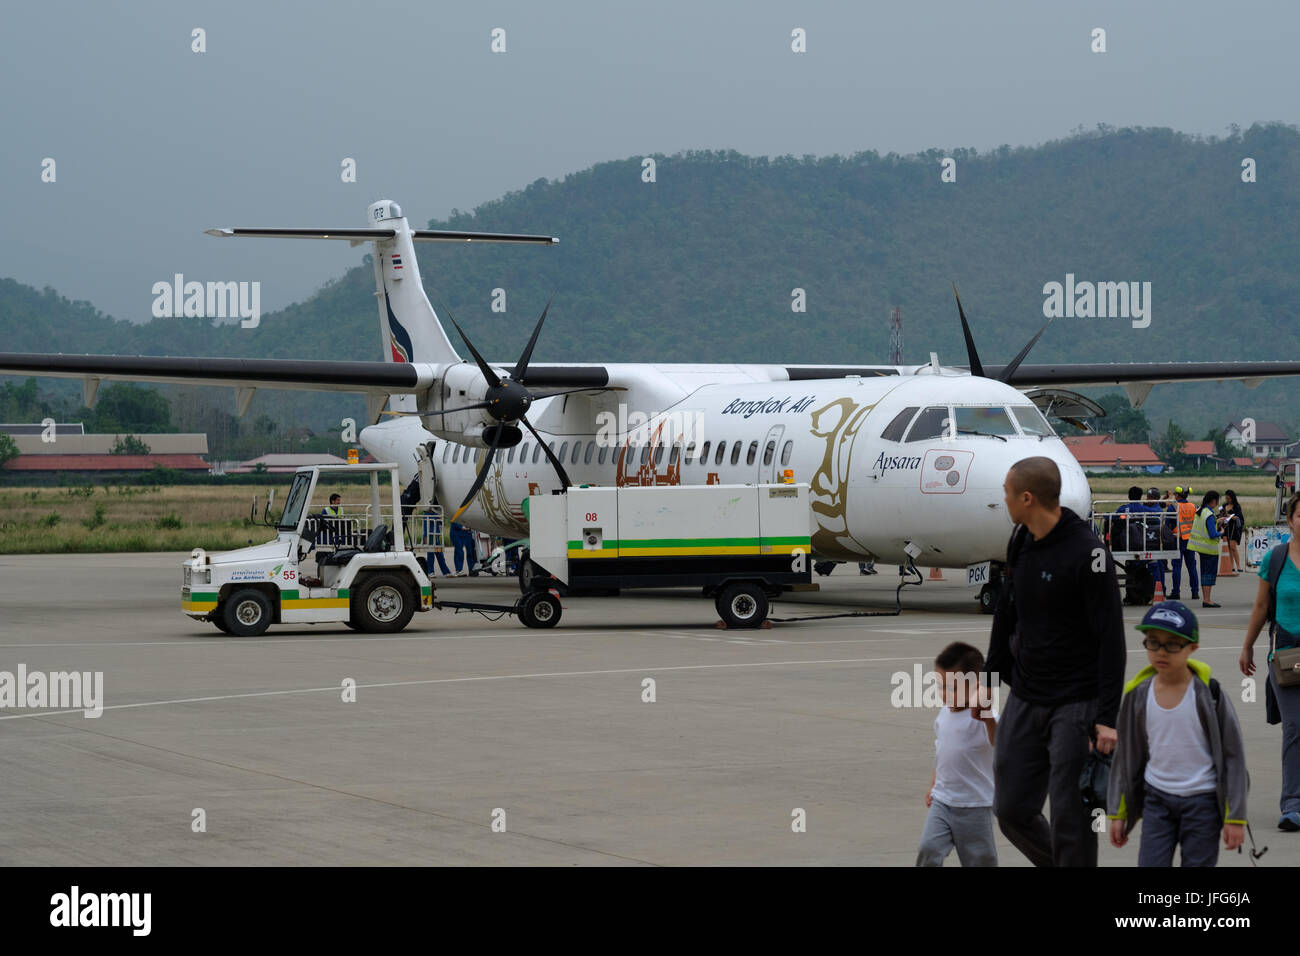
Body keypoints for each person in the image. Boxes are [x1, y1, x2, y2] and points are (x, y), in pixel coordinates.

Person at [984, 456, 1125, 866]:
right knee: (1010, 808)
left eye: (1007, 493)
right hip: (1027, 696)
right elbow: (1007, 609)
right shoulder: (1021, 538)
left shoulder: (1088, 553)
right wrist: (990, 678)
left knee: (1072, 818)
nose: (1003, 499)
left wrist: (1108, 717)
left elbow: (1112, 640)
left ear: (1027, 498)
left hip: (1076, 704)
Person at [1107, 601, 1248, 865]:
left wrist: (1235, 816)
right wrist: (1117, 810)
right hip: (1156, 800)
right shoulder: (1137, 695)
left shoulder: (1210, 695)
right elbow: (1125, 756)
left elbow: (1234, 756)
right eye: (1153, 642)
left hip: (1203, 803)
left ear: (1192, 648)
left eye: (1172, 644)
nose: (1161, 651)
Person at [1239, 492, 1300, 831]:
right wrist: (1247, 646)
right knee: (1294, 727)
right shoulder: (1276, 559)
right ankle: (1292, 802)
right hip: (1286, 655)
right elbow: (1262, 607)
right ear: (1290, 519)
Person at [916, 642, 998, 867]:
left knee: (980, 860)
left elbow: (998, 743)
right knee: (928, 848)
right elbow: (942, 752)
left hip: (975, 805)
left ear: (976, 686)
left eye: (952, 688)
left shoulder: (983, 715)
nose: (944, 694)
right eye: (940, 686)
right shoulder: (943, 715)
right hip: (943, 801)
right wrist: (934, 783)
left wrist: (989, 719)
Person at [1114, 485, 1155, 605]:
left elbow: (1112, 518)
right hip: (1143, 543)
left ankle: (1130, 595)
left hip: (1126, 544)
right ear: (1140, 496)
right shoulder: (1145, 510)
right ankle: (1142, 593)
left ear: (1129, 496)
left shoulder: (1123, 509)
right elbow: (1156, 519)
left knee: (1130, 569)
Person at [1188, 491, 1223, 608]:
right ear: (1213, 501)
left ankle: (1206, 598)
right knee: (1209, 575)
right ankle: (1207, 600)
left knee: (1204, 573)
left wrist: (1218, 521)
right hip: (1209, 549)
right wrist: (1221, 532)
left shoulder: (1201, 511)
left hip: (1201, 548)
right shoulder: (1209, 514)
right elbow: (1213, 534)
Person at [1170, 487, 1199, 601]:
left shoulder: (1174, 507)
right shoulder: (1194, 507)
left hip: (1177, 540)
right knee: (1192, 567)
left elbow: (1168, 523)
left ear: (1177, 495)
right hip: (1190, 540)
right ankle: (1195, 592)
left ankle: (1176, 592)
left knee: (1176, 567)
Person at [1222, 490, 1245, 572]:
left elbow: (1239, 518)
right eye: (1226, 498)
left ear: (1232, 498)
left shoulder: (1236, 506)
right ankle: (1231, 566)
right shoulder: (1224, 505)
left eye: (1229, 498)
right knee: (1228, 547)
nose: (1227, 500)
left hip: (1234, 528)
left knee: (1233, 546)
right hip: (1226, 527)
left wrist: (1230, 516)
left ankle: (1238, 566)